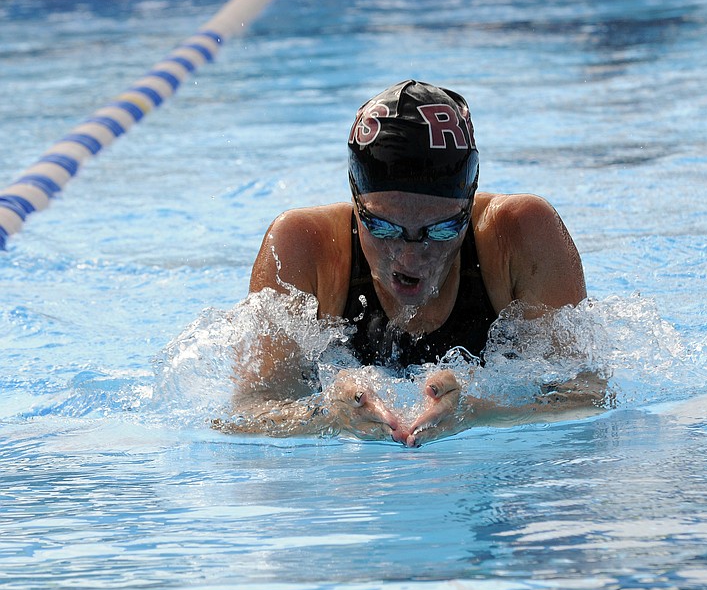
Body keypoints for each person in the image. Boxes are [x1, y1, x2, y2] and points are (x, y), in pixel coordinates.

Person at [227, 79, 604, 446]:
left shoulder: (520, 235)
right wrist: (329, 414)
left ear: (470, 202)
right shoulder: (303, 248)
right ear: (354, 199)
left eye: (440, 230)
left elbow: (588, 395)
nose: (409, 256)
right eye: (383, 227)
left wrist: (478, 408)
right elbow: (246, 413)